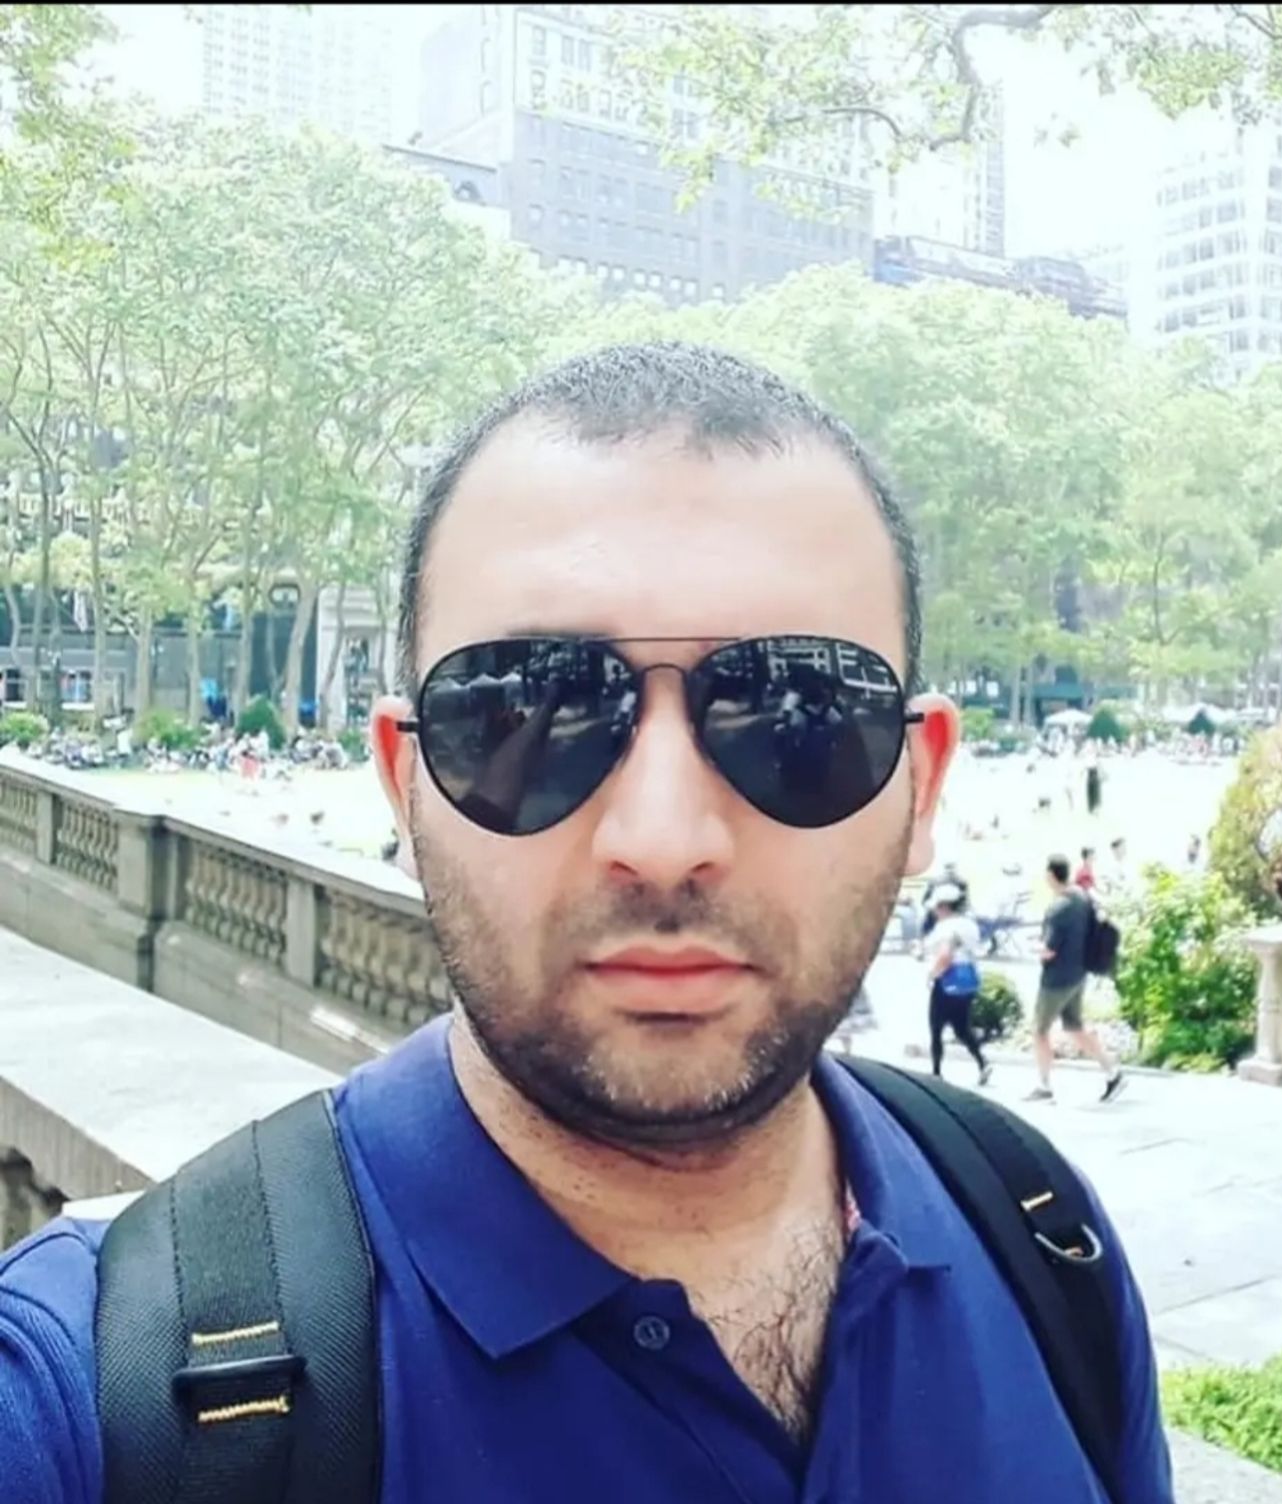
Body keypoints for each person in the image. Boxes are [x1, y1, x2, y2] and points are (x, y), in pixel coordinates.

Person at [0, 344, 1171, 1502]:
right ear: (406, 785)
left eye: (798, 715)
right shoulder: (95, 1394)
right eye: (531, 712)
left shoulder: (1040, 1235)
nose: (662, 838)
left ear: (922, 784)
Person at [1027, 854, 1126, 1106]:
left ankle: (1044, 1086)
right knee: (1074, 1026)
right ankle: (1112, 1072)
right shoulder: (1081, 897)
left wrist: (1034, 947)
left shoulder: (1058, 908)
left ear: (1050, 875)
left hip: (1056, 979)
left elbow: (1049, 950)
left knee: (1039, 1031)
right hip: (1078, 974)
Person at [924, 885, 990, 1084]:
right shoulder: (969, 925)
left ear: (944, 906)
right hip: (967, 980)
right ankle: (982, 1062)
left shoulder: (946, 927)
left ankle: (936, 1072)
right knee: (962, 1028)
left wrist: (932, 974)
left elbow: (945, 955)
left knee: (936, 1028)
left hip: (946, 981)